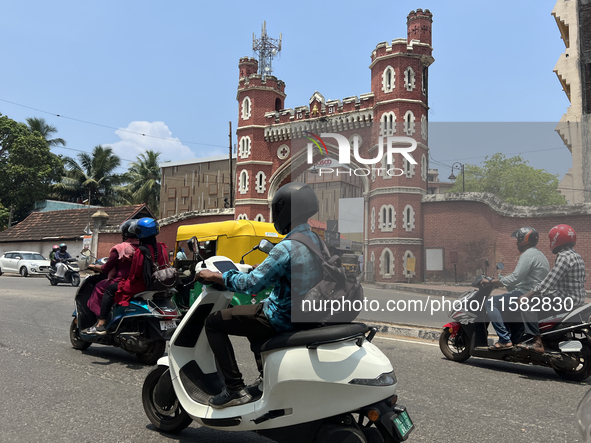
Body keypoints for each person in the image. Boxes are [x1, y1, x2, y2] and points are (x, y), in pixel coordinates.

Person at [198, 182, 323, 409]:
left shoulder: (286, 247)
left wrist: (216, 276)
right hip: (305, 314)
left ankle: (234, 389)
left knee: (214, 323)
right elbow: (297, 273)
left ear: (284, 210)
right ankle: (266, 379)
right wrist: (266, 267)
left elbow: (250, 285)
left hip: (282, 317)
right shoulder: (316, 241)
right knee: (249, 321)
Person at [83, 218, 168, 335]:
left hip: (141, 285)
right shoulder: (161, 247)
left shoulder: (137, 250)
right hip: (158, 283)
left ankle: (101, 324)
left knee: (109, 289)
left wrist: (126, 282)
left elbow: (134, 274)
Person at [517, 224, 586, 353]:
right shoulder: (576, 256)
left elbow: (550, 280)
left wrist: (528, 295)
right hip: (577, 299)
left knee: (528, 304)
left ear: (556, 240)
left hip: (566, 299)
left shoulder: (564, 256)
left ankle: (536, 341)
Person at [484, 227, 549, 350]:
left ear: (522, 240)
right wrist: (505, 282)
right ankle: (513, 337)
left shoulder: (527, 255)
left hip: (525, 294)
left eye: (517, 239)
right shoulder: (540, 255)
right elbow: (526, 279)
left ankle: (504, 340)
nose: (516, 243)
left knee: (491, 303)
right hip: (536, 295)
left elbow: (515, 278)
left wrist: (494, 280)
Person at [86, 220, 140, 317]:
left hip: (122, 281)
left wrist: (93, 266)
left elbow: (105, 268)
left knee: (100, 286)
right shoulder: (146, 248)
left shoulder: (121, 248)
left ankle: (101, 318)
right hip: (140, 281)